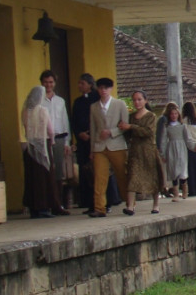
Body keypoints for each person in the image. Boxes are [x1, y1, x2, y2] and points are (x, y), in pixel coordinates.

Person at [21, 86, 67, 218]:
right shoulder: (42, 110)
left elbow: (26, 127)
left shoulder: (25, 111)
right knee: (45, 177)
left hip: (30, 146)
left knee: (32, 178)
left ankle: (33, 208)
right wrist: (52, 141)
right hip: (43, 144)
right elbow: (51, 130)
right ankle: (44, 206)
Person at [88, 77, 129, 217]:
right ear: (98, 90)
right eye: (101, 88)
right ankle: (99, 208)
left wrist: (112, 132)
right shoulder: (94, 107)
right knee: (99, 177)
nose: (103, 90)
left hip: (117, 145)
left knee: (122, 175)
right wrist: (92, 149)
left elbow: (125, 125)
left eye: (106, 88)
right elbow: (93, 129)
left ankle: (130, 202)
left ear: (111, 89)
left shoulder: (120, 104)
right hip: (100, 146)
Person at [119, 91, 163, 215]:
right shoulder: (131, 116)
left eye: (139, 99)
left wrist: (131, 127)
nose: (137, 102)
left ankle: (156, 204)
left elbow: (148, 132)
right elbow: (127, 134)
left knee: (153, 177)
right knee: (133, 176)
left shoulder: (151, 116)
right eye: (134, 100)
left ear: (145, 100)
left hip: (148, 150)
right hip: (135, 151)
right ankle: (130, 206)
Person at [39, 70, 72, 203]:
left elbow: (65, 121)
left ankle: (58, 202)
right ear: (42, 83)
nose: (48, 85)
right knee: (45, 169)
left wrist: (67, 142)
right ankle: (47, 200)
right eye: (46, 82)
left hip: (59, 138)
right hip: (43, 139)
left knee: (58, 170)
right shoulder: (38, 101)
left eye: (51, 82)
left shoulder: (60, 101)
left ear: (55, 83)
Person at [71, 73, 97, 212]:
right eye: (79, 83)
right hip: (82, 141)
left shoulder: (96, 99)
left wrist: (91, 133)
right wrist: (79, 134)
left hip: (95, 141)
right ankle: (86, 201)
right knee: (84, 171)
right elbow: (74, 121)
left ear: (90, 84)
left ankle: (100, 201)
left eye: (82, 83)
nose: (79, 86)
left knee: (96, 171)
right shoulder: (77, 102)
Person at [161, 103, 195, 201]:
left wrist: (193, 146)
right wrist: (163, 153)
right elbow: (163, 141)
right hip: (171, 149)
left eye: (176, 114)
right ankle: (176, 193)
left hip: (181, 148)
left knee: (182, 169)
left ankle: (185, 190)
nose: (174, 116)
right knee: (173, 170)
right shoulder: (167, 127)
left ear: (178, 115)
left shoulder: (182, 126)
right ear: (169, 115)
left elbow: (188, 138)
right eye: (172, 114)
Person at [182, 102, 196, 197]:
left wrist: (192, 146)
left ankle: (192, 189)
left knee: (190, 169)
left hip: (189, 148)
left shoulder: (184, 121)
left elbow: (187, 136)